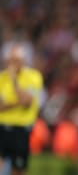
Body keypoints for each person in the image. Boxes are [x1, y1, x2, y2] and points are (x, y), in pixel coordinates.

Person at [0, 43, 43, 175]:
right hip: (1, 127)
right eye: (11, 60)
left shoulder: (34, 76)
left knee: (18, 170)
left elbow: (27, 103)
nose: (13, 64)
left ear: (24, 61)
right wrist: (17, 102)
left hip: (21, 130)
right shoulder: (1, 78)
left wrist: (14, 81)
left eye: (17, 60)